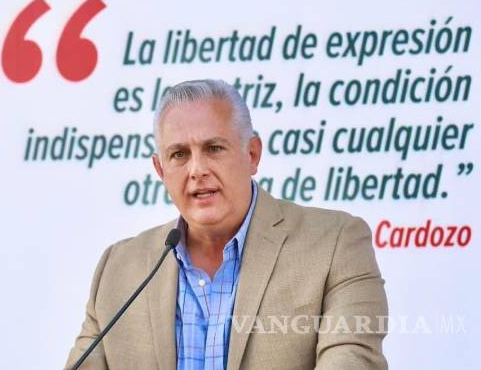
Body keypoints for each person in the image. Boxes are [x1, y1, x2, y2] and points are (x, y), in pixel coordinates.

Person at [65, 79, 388, 369]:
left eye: (214, 148)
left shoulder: (335, 244)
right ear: (160, 169)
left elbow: (352, 361)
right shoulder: (118, 268)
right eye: (179, 155)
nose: (197, 170)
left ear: (252, 154)